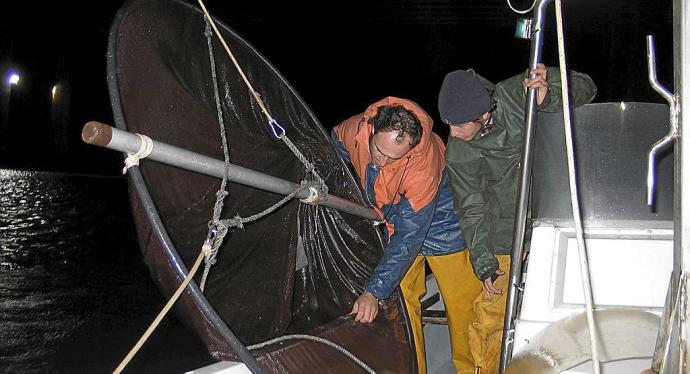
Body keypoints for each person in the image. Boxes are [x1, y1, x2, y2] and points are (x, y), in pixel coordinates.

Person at [438, 63, 597, 373]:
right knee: (492, 318)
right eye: (449, 124)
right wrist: (484, 262)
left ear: (481, 116)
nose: (452, 134)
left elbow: (587, 87)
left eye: (458, 125)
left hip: (556, 215)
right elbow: (470, 208)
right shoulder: (458, 152)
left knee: (569, 302)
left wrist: (549, 96)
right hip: (505, 236)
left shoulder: (518, 93)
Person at [330, 96, 481, 373]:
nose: (384, 162)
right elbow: (335, 142)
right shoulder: (353, 129)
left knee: (466, 313)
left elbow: (409, 238)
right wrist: (344, 184)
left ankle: (474, 370)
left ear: (410, 149)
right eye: (379, 151)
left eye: (394, 158)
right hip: (397, 221)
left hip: (444, 228)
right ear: (371, 129)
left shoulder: (422, 166)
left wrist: (373, 292)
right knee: (403, 312)